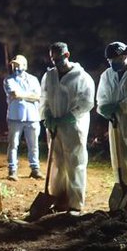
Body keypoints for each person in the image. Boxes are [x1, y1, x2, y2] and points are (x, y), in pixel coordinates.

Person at [39, 42, 95, 213]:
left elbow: (87, 102)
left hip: (74, 128)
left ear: (67, 55)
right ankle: (59, 199)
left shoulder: (82, 77)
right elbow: (44, 98)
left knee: (75, 163)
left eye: (59, 58)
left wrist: (70, 117)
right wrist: (46, 115)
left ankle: (75, 204)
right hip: (54, 128)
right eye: (53, 59)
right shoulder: (49, 76)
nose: (56, 62)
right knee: (57, 162)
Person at [96, 41, 127, 208]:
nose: (112, 63)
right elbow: (101, 99)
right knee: (120, 159)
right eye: (110, 60)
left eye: (116, 59)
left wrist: (121, 106)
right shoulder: (106, 75)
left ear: (125, 55)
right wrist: (105, 109)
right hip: (115, 123)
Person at [3, 54, 42, 181]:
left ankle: (35, 169)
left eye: (18, 65)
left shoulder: (33, 79)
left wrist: (22, 95)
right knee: (13, 144)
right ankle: (12, 170)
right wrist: (30, 95)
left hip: (32, 117)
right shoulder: (8, 80)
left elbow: (38, 97)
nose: (15, 67)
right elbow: (14, 94)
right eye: (14, 65)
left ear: (25, 65)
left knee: (34, 145)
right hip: (15, 117)